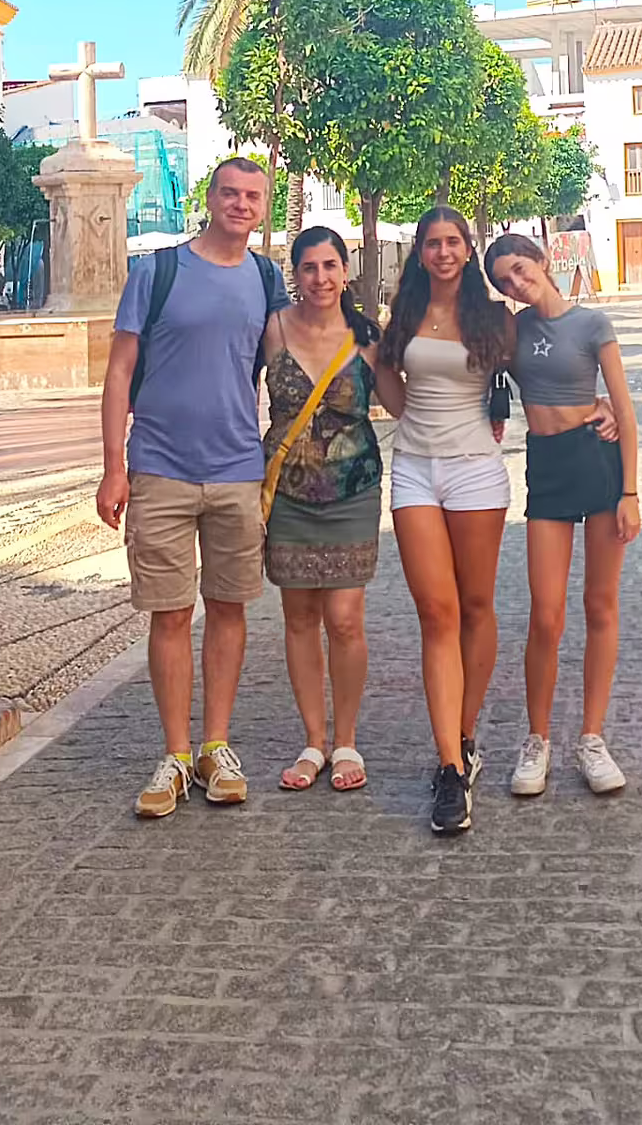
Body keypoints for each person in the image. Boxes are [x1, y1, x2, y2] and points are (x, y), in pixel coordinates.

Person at [96, 157, 290, 819]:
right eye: (230, 193)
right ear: (210, 198)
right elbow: (119, 372)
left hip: (238, 470)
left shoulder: (266, 279)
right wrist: (113, 466)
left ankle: (216, 746)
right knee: (171, 612)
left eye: (253, 196)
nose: (241, 204)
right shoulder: (157, 272)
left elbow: (288, 365)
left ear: (264, 206)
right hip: (160, 468)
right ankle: (176, 753)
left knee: (229, 608)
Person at [373, 207, 514, 836]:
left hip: (476, 471)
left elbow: (537, 371)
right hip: (414, 470)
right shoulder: (405, 312)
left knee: (476, 607)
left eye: (454, 241)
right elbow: (387, 375)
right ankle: (450, 768)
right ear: (420, 252)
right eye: (433, 243)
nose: (444, 252)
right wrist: (396, 401)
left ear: (468, 248)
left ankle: (463, 732)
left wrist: (597, 405)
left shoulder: (493, 317)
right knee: (437, 612)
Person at [484, 232, 640, 798]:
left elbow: (624, 408)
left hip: (596, 462)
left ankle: (592, 738)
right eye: (505, 280)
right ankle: (538, 739)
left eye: (521, 269)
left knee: (600, 604)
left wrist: (630, 492)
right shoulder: (512, 330)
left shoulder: (592, 324)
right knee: (546, 614)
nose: (517, 283)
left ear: (543, 261)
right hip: (547, 467)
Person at [261, 227, 383, 794]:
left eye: (330, 266)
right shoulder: (273, 330)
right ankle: (314, 740)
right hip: (287, 492)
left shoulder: (367, 336)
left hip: (353, 490)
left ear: (345, 270)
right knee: (299, 618)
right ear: (296, 274)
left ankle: (347, 739)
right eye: (309, 268)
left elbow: (406, 398)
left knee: (345, 618)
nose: (320, 278)